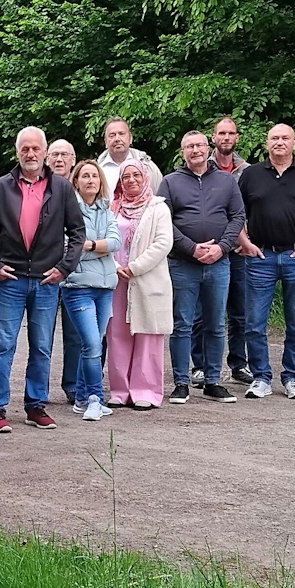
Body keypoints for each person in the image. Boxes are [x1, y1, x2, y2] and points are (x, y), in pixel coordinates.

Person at [0, 126, 84, 432]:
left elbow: (77, 232)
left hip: (47, 281)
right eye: (25, 148)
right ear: (17, 152)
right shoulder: (1, 187)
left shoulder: (61, 187)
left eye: (36, 148)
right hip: (10, 279)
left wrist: (64, 268)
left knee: (41, 346)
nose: (31, 154)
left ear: (45, 152)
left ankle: (35, 405)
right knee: (3, 345)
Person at [235, 124, 295, 399]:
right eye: (274, 138)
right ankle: (261, 377)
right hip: (260, 256)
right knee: (254, 322)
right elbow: (235, 214)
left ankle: (291, 377)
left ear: (294, 142)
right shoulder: (251, 174)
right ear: (267, 143)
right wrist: (245, 243)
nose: (279, 142)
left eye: (285, 138)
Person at [157, 129, 243, 404]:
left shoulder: (226, 181)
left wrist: (221, 247)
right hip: (183, 264)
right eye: (189, 146)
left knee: (216, 324)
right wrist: (192, 248)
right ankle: (181, 381)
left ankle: (212, 381)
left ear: (208, 148)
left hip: (219, 263)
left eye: (199, 145)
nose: (195, 150)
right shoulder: (170, 183)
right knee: (182, 324)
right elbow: (163, 222)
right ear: (183, 152)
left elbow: (238, 215)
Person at [107, 162, 174, 408]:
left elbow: (163, 243)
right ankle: (119, 391)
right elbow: (104, 239)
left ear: (145, 177)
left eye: (136, 175)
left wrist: (135, 267)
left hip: (146, 279)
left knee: (147, 335)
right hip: (116, 281)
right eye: (126, 176)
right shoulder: (112, 207)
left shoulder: (158, 207)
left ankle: (146, 391)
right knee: (117, 335)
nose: (131, 180)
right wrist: (114, 265)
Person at [62, 160, 121, 420]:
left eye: (94, 176)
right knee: (92, 344)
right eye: (85, 176)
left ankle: (82, 397)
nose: (90, 181)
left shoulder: (106, 209)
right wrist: (99, 249)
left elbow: (116, 242)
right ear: (76, 181)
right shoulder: (67, 210)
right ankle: (96, 398)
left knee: (93, 345)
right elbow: (67, 250)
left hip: (105, 287)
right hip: (78, 287)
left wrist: (90, 245)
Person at [210, 115, 252, 383]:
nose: (226, 138)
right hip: (212, 248)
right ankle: (200, 366)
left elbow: (250, 210)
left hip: (240, 250)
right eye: (221, 133)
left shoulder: (249, 171)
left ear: (237, 137)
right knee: (206, 313)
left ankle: (239, 364)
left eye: (231, 133)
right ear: (213, 137)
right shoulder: (202, 165)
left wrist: (246, 240)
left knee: (240, 311)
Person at [48, 139, 83, 405]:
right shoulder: (39, 186)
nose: (59, 159)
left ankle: (72, 384)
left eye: (64, 154)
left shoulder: (86, 188)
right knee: (42, 333)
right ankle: (38, 389)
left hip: (77, 269)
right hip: (44, 268)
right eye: (54, 154)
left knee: (74, 332)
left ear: (73, 159)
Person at [97, 117, 159, 200]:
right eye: (112, 135)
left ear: (130, 139)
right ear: (105, 142)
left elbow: (159, 198)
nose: (117, 139)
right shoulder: (97, 170)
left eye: (121, 134)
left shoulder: (147, 166)